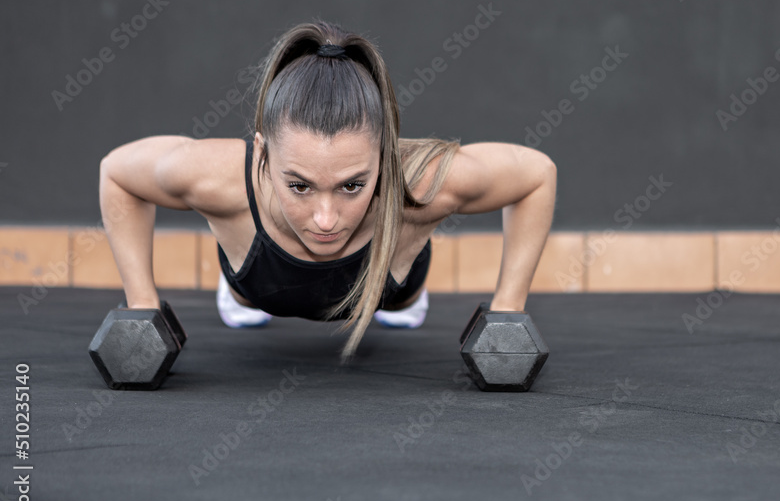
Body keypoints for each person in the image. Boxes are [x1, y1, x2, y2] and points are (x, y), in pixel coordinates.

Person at [98, 20, 558, 364]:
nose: (325, 218)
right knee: (243, 300)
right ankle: (238, 288)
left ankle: (405, 291)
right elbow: (117, 173)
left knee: (401, 302)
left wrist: (507, 311)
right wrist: (142, 305)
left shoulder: (421, 179)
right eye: (298, 185)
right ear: (263, 152)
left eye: (352, 186)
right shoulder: (217, 177)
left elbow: (537, 174)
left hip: (390, 291)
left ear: (384, 155)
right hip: (256, 287)